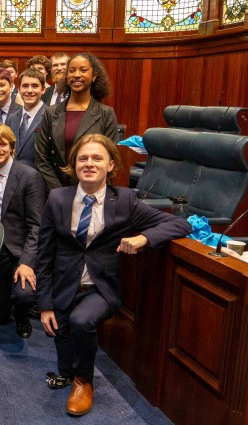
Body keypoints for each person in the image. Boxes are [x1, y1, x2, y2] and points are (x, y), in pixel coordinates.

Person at [35, 134, 191, 416]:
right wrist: (45, 303)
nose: (89, 164)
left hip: (100, 289)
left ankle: (85, 383)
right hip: (63, 285)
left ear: (111, 165)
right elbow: (44, 254)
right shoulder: (57, 199)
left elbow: (180, 224)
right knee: (64, 359)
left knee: (81, 321)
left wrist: (144, 237)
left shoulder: (125, 201)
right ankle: (71, 374)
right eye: (83, 158)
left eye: (97, 158)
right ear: (73, 164)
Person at [0, 124, 45, 338]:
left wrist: (27, 262)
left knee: (24, 295)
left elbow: (37, 226)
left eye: (2, 144)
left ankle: (23, 314)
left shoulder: (29, 176)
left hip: (17, 249)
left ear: (12, 147)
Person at [36, 52, 119, 191]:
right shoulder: (51, 112)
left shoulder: (106, 114)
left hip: (92, 190)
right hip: (55, 191)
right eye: (72, 70)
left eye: (83, 70)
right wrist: (58, 192)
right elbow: (41, 157)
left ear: (94, 76)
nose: (76, 75)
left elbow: (108, 158)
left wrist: (84, 191)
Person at [13, 69, 48, 168]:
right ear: (19, 89)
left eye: (35, 86)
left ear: (43, 89)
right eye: (25, 86)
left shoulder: (51, 116)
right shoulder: (12, 118)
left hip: (39, 175)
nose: (29, 90)